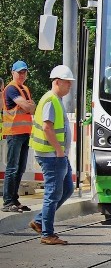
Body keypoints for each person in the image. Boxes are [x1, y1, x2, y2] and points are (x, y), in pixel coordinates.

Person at [28, 65, 76, 244]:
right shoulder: (50, 100)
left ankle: (40, 221)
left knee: (67, 189)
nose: (69, 86)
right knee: (53, 193)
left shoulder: (56, 99)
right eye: (67, 83)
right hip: (52, 155)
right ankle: (47, 234)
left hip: (57, 155)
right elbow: (48, 127)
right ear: (57, 82)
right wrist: (58, 150)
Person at [2, 60, 36, 213]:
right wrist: (28, 105)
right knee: (12, 168)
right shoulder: (10, 89)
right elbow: (28, 106)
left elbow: (32, 108)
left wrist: (28, 105)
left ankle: (14, 199)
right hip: (14, 134)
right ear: (13, 73)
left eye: (24, 72)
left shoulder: (25, 89)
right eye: (19, 72)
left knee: (20, 168)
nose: (22, 75)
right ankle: (8, 201)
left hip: (24, 133)